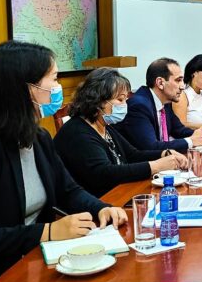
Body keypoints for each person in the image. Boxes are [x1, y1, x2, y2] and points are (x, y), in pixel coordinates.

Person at [0, 42, 127, 282]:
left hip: (36, 265)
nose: (57, 88)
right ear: (26, 88)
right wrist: (48, 232)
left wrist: (101, 208)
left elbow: (68, 190)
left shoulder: (38, 137)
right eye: (53, 79)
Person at [54, 68, 189, 198]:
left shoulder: (104, 126)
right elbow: (104, 174)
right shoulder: (78, 132)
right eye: (120, 99)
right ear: (98, 100)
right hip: (97, 202)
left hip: (116, 193)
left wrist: (164, 153)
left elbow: (132, 155)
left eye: (125, 99)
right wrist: (156, 166)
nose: (125, 105)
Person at [115, 58, 202, 152]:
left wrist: (201, 134)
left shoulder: (165, 101)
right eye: (178, 80)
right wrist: (191, 141)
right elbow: (150, 147)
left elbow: (179, 130)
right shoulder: (139, 106)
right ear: (160, 83)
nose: (182, 86)